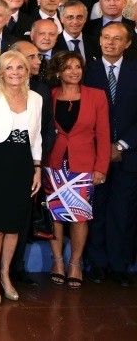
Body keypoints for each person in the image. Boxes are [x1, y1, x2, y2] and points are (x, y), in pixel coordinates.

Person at [0, 50, 44, 306]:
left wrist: (37, 167)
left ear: (27, 71)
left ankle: (6, 274)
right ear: (1, 71)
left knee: (14, 225)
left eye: (20, 67)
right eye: (10, 68)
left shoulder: (36, 98)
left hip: (22, 165)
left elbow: (36, 137)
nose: (15, 72)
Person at [42, 51, 111, 289]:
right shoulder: (49, 95)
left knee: (80, 217)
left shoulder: (96, 96)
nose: (74, 71)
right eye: (68, 67)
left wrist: (101, 167)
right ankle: (57, 261)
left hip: (83, 166)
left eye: (77, 67)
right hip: (54, 163)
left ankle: (75, 263)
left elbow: (103, 135)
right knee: (55, 216)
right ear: (58, 72)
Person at [84, 22, 137, 287]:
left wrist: (122, 145)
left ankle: (119, 265)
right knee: (96, 209)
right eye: (106, 37)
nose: (110, 43)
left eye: (117, 39)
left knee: (123, 211)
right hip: (93, 154)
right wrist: (103, 147)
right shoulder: (86, 70)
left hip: (129, 155)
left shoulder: (135, 71)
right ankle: (97, 264)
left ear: (127, 43)